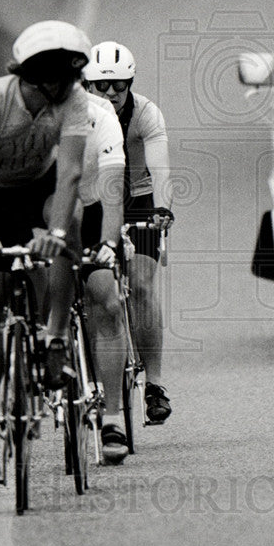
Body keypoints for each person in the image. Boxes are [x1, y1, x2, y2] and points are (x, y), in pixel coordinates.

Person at [0, 20, 93, 483]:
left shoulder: (73, 100)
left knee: (74, 223)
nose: (69, 86)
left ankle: (54, 337)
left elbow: (68, 174)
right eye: (60, 79)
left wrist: (55, 229)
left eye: (73, 77)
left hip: (40, 190)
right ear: (35, 76)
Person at [39, 80, 134, 465]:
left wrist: (110, 245)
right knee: (41, 288)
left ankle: (112, 420)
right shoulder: (35, 120)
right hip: (46, 205)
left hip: (93, 209)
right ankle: (43, 351)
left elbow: (113, 194)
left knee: (109, 301)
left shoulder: (102, 116)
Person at [82, 41, 175, 425]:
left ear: (130, 83)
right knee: (91, 288)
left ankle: (154, 384)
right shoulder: (79, 115)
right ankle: (95, 378)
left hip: (138, 200)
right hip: (95, 199)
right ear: (86, 86)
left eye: (119, 85)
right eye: (100, 87)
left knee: (141, 282)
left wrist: (162, 209)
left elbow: (161, 168)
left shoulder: (146, 114)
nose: (110, 94)